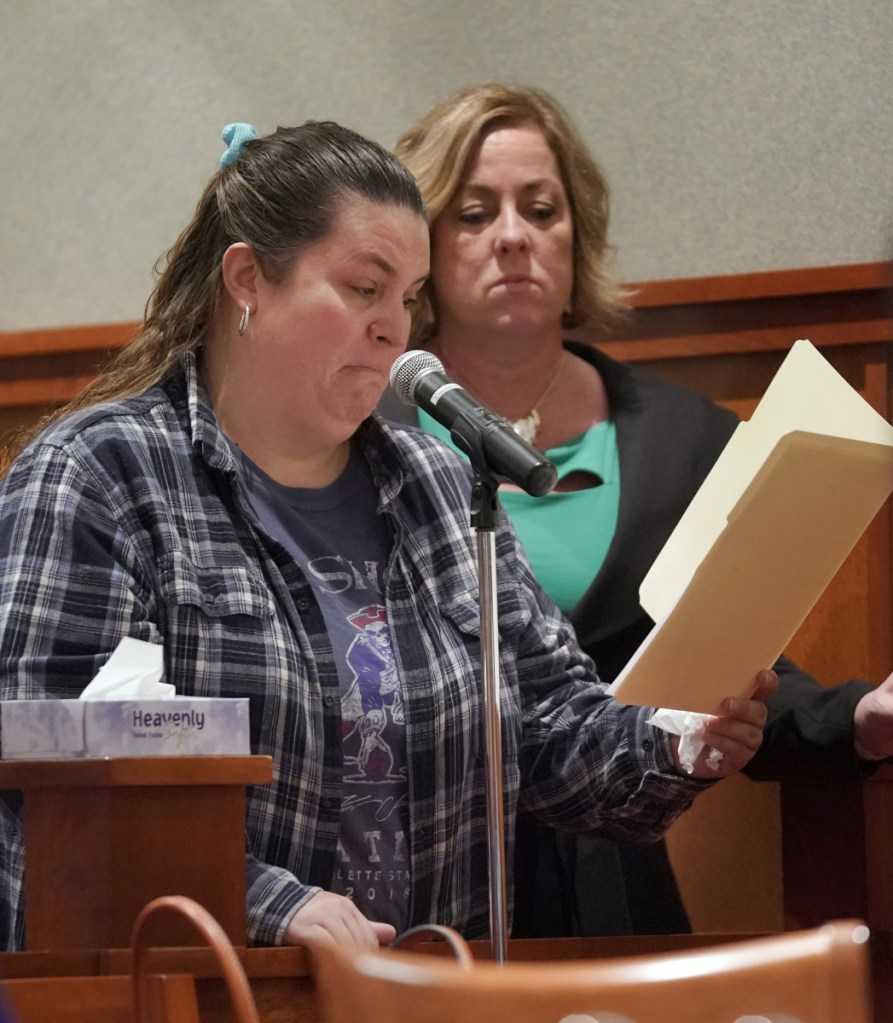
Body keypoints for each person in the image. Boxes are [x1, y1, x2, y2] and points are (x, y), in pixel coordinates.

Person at [0, 120, 774, 953]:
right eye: (364, 289)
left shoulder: (435, 483)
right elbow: (50, 795)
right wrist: (268, 903)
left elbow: (548, 727)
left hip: (438, 988)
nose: (395, 329)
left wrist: (673, 739)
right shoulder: (99, 476)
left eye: (407, 296)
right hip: (209, 991)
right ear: (247, 279)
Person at [381, 82, 893, 937]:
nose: (511, 237)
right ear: (422, 247)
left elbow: (736, 668)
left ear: (575, 234)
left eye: (539, 209)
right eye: (473, 214)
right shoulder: (362, 436)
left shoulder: (679, 439)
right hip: (419, 887)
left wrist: (858, 720)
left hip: (614, 890)